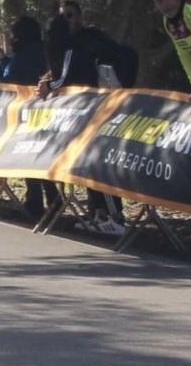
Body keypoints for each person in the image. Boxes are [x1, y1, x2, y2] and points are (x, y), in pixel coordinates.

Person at [37, 14, 126, 235]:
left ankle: (116, 218)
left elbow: (66, 78)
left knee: (99, 166)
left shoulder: (71, 50)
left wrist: (49, 85)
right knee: (87, 164)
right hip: (85, 116)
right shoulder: (67, 50)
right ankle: (98, 215)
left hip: (98, 112)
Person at [0, 15, 59, 218]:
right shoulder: (43, 52)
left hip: (26, 112)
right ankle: (53, 199)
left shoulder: (21, 56)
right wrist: (3, 60)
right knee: (43, 156)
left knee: (29, 157)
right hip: (47, 111)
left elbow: (7, 82)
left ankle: (34, 202)